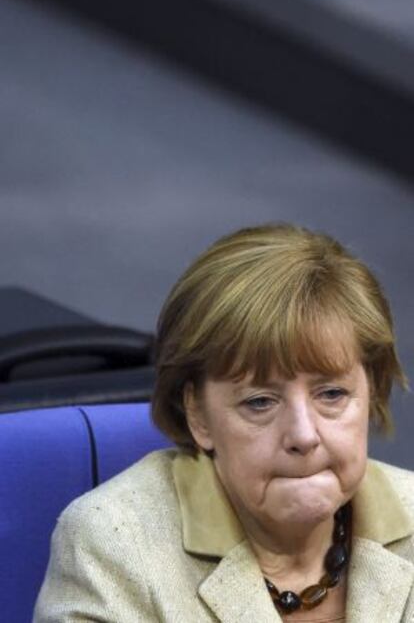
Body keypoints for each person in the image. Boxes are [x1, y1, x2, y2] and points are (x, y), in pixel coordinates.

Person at [34, 223, 414, 622]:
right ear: (198, 415)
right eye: (260, 402)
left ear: (370, 391)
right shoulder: (114, 546)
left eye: (332, 394)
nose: (304, 435)